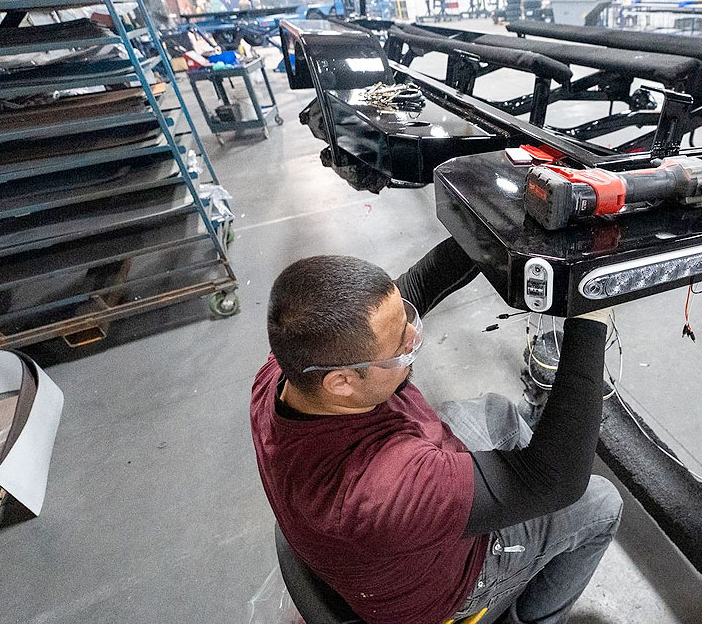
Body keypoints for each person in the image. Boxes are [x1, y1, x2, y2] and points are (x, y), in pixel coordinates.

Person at [250, 238, 621, 624]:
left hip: (389, 528)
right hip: (443, 588)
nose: (414, 337)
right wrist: (590, 316)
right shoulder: (385, 490)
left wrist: (500, 233)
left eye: (405, 320)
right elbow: (558, 480)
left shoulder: (288, 368)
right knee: (600, 504)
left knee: (498, 413)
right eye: (399, 346)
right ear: (341, 382)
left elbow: (419, 284)